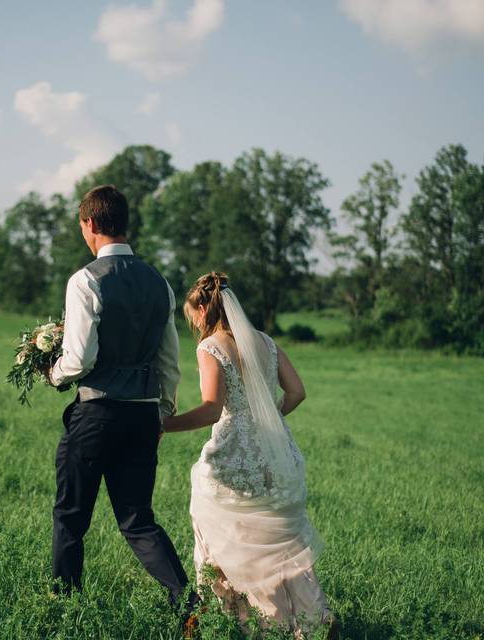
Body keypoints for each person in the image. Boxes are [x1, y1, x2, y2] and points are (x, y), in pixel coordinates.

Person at [48, 185, 199, 628]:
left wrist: (53, 373)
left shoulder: (86, 280)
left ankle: (62, 610)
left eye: (81, 225)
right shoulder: (161, 283)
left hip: (95, 415)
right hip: (142, 416)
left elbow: (79, 360)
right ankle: (189, 606)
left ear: (91, 224)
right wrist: (161, 413)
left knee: (71, 517)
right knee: (138, 521)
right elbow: (169, 361)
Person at [162, 271, 340, 639]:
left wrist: (164, 425)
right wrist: (266, 418)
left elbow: (212, 410)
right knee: (276, 540)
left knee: (221, 526)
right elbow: (297, 393)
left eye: (191, 315)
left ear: (203, 310)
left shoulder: (210, 346)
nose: (192, 323)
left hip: (233, 454)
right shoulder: (265, 342)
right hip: (276, 451)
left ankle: (234, 619)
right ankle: (310, 620)